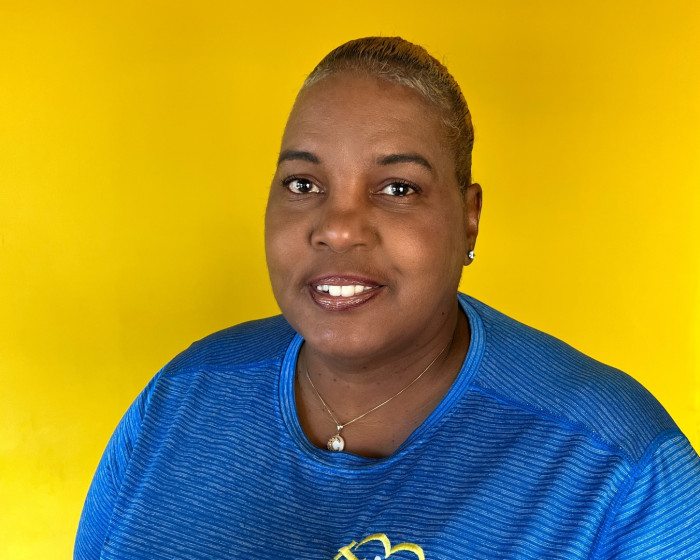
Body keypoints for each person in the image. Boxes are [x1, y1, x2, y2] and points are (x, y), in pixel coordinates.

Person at [75, 37, 700, 559]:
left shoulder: (617, 466)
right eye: (303, 183)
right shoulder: (181, 398)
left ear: (470, 219)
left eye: (398, 188)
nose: (338, 227)